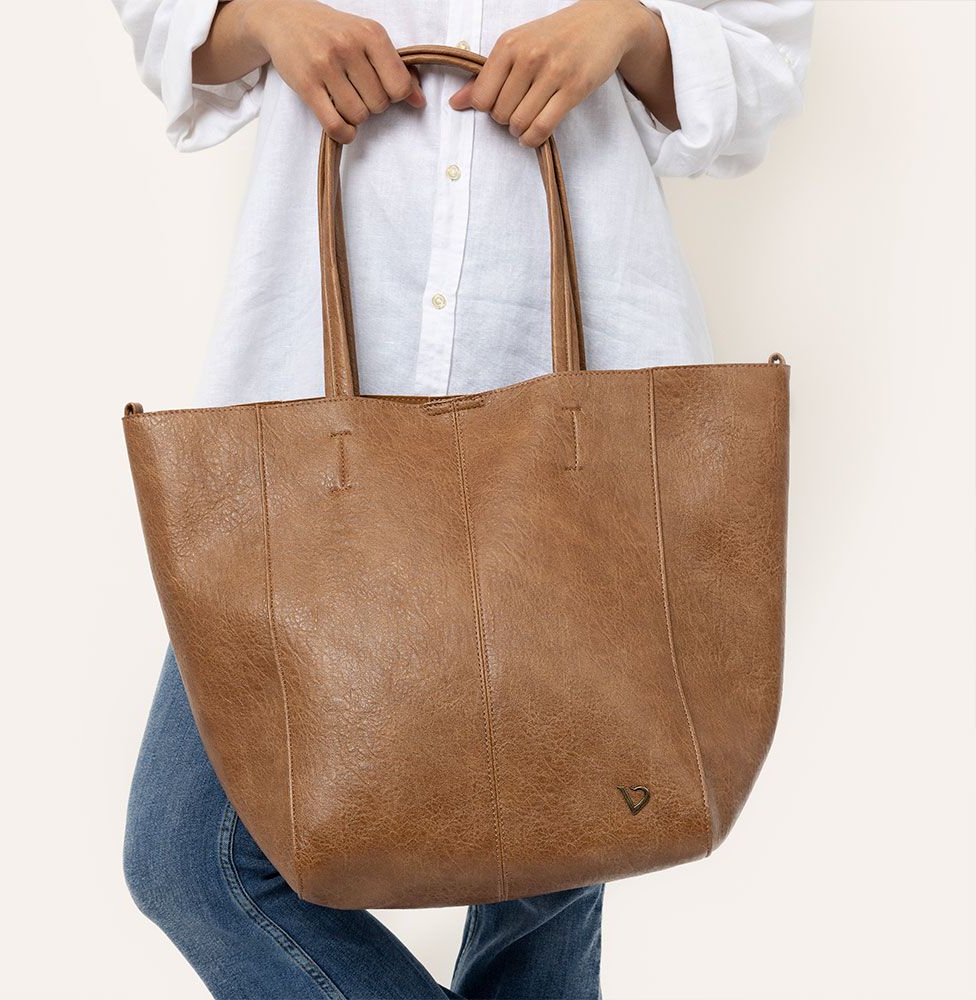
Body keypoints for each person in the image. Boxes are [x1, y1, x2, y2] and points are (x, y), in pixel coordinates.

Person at [113, 1, 812, 996]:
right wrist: (263, 19)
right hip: (312, 397)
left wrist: (627, 28)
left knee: (553, 867)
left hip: (583, 406)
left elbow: (761, 59)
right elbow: (163, 23)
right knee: (195, 855)